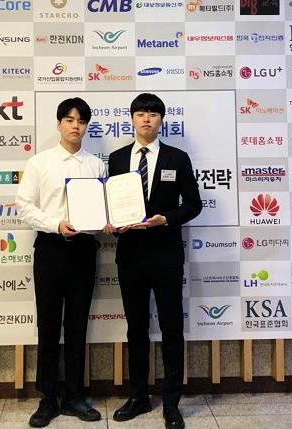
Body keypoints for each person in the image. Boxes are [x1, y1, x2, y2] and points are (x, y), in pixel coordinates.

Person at [107, 93, 202, 429]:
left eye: (152, 114)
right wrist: (111, 222)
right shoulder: (117, 159)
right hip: (130, 255)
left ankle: (172, 403)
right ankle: (139, 396)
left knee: (172, 329)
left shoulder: (178, 158)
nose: (146, 119)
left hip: (166, 254)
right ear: (132, 119)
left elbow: (193, 204)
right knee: (136, 329)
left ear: (161, 120)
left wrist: (167, 219)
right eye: (140, 113)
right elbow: (111, 203)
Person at [15, 97, 105, 428]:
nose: (75, 126)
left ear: (86, 126)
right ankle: (48, 398)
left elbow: (103, 208)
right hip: (51, 248)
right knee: (49, 324)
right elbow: (24, 206)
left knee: (78, 325)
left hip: (83, 250)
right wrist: (56, 224)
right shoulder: (39, 162)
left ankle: (74, 396)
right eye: (69, 120)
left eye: (81, 121)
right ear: (58, 124)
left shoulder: (96, 166)